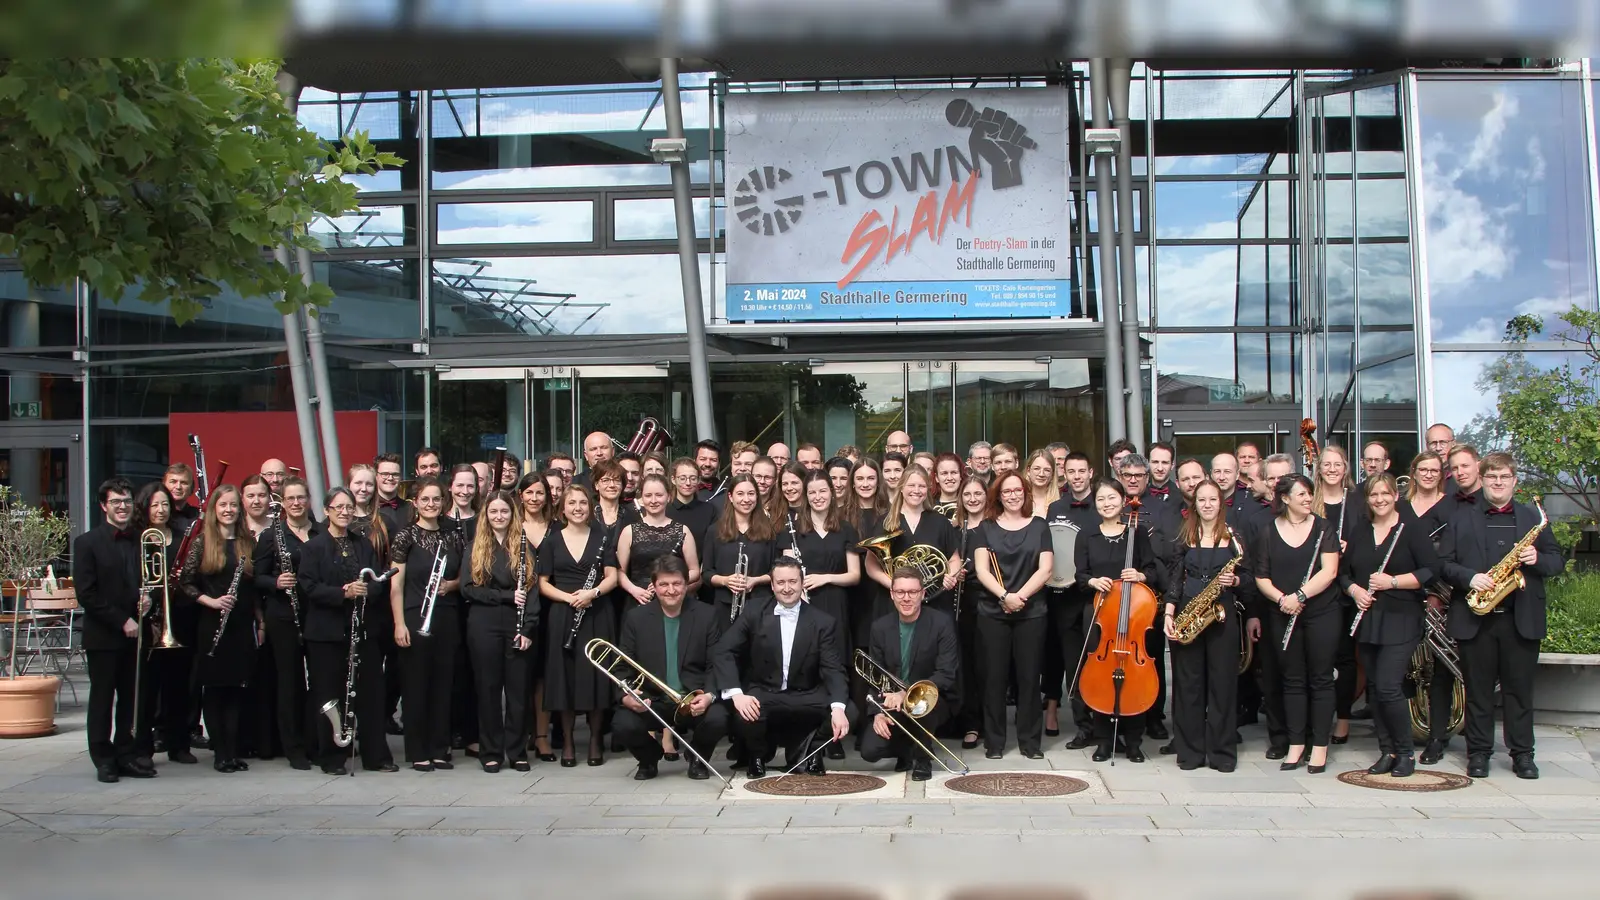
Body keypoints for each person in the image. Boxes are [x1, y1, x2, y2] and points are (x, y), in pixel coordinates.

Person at [1438, 452, 1563, 780]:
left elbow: (1556, 562)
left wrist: (1537, 558)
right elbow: (1443, 563)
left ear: (1514, 481)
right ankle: (1478, 754)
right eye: (1491, 477)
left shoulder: (1533, 520)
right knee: (1477, 692)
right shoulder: (1461, 518)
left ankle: (1523, 755)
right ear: (1483, 478)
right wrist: (1470, 577)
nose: (1497, 483)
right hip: (1477, 617)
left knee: (1519, 692)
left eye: (1504, 477)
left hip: (1519, 619)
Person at [1341, 473, 1441, 779]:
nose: (1380, 499)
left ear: (1395, 496)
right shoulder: (1360, 531)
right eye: (1374, 495)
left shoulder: (1410, 530)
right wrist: (1354, 591)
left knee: (1387, 686)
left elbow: (1431, 571)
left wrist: (1393, 582)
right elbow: (1344, 574)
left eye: (1385, 493)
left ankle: (1406, 751)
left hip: (1402, 617)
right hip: (1368, 619)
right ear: (1367, 500)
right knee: (1374, 688)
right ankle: (1387, 751)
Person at [714, 558, 851, 778]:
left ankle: (811, 752)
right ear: (772, 585)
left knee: (848, 710)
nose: (787, 588)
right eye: (781, 582)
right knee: (744, 710)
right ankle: (756, 756)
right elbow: (724, 651)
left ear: (802, 582)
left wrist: (838, 709)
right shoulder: (754, 611)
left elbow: (833, 669)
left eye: (792, 582)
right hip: (765, 691)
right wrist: (736, 694)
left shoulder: (823, 621)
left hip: (805, 693)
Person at [298, 487, 399, 775]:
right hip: (326, 634)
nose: (344, 512)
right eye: (338, 507)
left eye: (348, 507)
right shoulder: (312, 548)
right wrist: (343, 592)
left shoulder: (363, 545)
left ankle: (376, 755)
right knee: (330, 694)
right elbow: (309, 587)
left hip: (361, 630)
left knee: (371, 692)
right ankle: (332, 757)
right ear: (327, 510)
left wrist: (369, 588)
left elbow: (378, 578)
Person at [1254, 474, 1342, 774]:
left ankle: (1319, 746)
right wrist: (1283, 600)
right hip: (1283, 613)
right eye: (1301, 494)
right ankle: (1295, 745)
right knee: (1291, 680)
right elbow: (1261, 577)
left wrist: (1300, 595)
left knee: (1320, 679)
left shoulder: (1323, 528)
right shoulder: (1268, 531)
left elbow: (1330, 571)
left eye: (1309, 494)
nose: (1307, 499)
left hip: (1322, 612)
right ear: (1285, 498)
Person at [614, 556, 729, 781]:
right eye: (664, 584)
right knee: (622, 723)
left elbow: (717, 663)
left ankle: (697, 756)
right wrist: (626, 696)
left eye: (677, 584)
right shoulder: (636, 618)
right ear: (654, 586)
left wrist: (709, 696)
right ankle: (649, 758)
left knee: (720, 717)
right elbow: (622, 666)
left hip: (693, 698)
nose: (671, 590)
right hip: (652, 700)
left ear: (686, 585)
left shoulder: (707, 615)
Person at [76, 478, 157, 783]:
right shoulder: (87, 543)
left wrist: (148, 599)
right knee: (102, 699)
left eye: (126, 501)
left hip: (138, 634)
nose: (122, 507)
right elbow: (87, 593)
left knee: (132, 697)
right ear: (103, 506)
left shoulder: (142, 539)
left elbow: (148, 580)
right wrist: (122, 620)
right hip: (105, 635)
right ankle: (103, 757)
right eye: (116, 502)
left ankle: (127, 753)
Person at [1075, 478, 1161, 763]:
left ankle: (1134, 741)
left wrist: (1140, 576)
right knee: (1101, 676)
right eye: (1101, 499)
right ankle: (1103, 741)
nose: (1107, 503)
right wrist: (1092, 581)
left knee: (1134, 676)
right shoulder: (1087, 535)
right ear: (1095, 503)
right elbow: (1079, 575)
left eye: (1112, 498)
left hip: (1134, 616)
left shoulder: (1137, 533)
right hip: (1101, 615)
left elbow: (1152, 570)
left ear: (1124, 501)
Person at [1163, 479, 1244, 772]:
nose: (1207, 505)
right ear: (1194, 505)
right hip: (1189, 613)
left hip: (1222, 614)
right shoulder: (1185, 537)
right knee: (1188, 687)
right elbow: (1174, 579)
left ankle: (1222, 753)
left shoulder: (1233, 538)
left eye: (1213, 499)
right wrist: (1169, 614)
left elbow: (1249, 578)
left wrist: (1234, 580)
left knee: (1222, 686)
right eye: (1202, 500)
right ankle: (1190, 753)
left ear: (1221, 503)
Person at [177, 484, 258, 773]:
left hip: (239, 626)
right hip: (212, 623)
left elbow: (255, 587)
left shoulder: (247, 543)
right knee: (214, 691)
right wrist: (210, 601)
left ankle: (232, 752)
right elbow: (185, 583)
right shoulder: (203, 542)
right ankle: (220, 753)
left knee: (236, 690)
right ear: (214, 509)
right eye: (223, 505)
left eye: (233, 505)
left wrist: (258, 621)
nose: (228, 510)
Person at [973, 471, 1054, 759]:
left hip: (1031, 612)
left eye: (1017, 490)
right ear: (999, 496)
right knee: (994, 678)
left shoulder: (1040, 526)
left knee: (1029, 678)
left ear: (1025, 493)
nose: (1012, 495)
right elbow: (982, 570)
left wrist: (1020, 597)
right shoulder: (985, 527)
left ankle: (1030, 743)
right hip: (992, 612)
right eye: (1006, 491)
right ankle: (994, 743)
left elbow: (1045, 569)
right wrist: (1005, 596)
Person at [389, 477, 467, 772]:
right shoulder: (405, 536)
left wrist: (453, 584)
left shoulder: (453, 535)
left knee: (443, 683)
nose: (431, 504)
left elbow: (465, 576)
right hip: (414, 614)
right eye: (426, 500)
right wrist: (399, 624)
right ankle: (418, 750)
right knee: (416, 684)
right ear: (416, 503)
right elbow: (396, 586)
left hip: (446, 614)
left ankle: (439, 748)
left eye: (436, 499)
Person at [539, 485, 619, 767]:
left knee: (594, 678)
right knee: (565, 679)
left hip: (596, 612)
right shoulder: (552, 541)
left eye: (583, 502)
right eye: (571, 503)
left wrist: (591, 593)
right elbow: (543, 583)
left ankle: (596, 740)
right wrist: (569, 598)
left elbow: (612, 576)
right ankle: (569, 742)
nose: (577, 507)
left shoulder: (602, 537)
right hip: (563, 613)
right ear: (562, 508)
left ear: (590, 507)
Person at [461, 489, 539, 773]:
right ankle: (491, 752)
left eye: (504, 511)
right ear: (486, 515)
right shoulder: (474, 547)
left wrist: (529, 628)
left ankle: (517, 752)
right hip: (484, 624)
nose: (499, 516)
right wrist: (505, 597)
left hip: (517, 625)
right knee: (489, 690)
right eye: (493, 511)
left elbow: (532, 591)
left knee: (518, 693)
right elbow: (467, 589)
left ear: (512, 514)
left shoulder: (523, 545)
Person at [860, 567, 960, 781]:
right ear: (892, 594)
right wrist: (877, 711)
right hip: (894, 702)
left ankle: (923, 758)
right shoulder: (880, 627)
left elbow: (946, 674)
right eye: (900, 592)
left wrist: (907, 694)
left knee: (922, 706)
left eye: (912, 592)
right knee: (869, 751)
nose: (906, 598)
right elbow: (875, 676)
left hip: (934, 698)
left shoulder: (941, 623)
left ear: (923, 593)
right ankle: (908, 748)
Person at [251, 476, 320, 771]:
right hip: (284, 616)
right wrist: (277, 581)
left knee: (318, 682)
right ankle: (293, 747)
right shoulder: (272, 535)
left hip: (317, 614)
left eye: (301, 498)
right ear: (283, 503)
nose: (296, 503)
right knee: (290, 682)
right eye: (290, 498)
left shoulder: (321, 532)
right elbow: (257, 577)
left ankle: (316, 741)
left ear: (308, 500)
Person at [130, 483, 196, 765]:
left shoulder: (183, 538)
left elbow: (193, 575)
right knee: (148, 688)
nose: (161, 509)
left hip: (179, 618)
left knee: (179, 686)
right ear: (145, 507)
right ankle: (143, 746)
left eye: (165, 504)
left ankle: (179, 744)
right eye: (155, 504)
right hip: (149, 621)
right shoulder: (138, 539)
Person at [1042, 452, 1098, 748]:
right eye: (1071, 471)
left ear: (1091, 472)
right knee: (1074, 664)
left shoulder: (1103, 503)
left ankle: (1104, 720)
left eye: (1081, 470)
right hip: (1065, 599)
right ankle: (1083, 726)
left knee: (1097, 662)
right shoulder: (1055, 507)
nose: (1076, 476)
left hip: (1096, 596)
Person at [865, 467, 962, 622]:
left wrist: (951, 575)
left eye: (922, 486)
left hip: (934, 602)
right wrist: (895, 585)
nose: (916, 490)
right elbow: (870, 564)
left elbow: (955, 559)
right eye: (911, 485)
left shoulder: (940, 522)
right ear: (902, 487)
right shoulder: (886, 522)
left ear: (928, 489)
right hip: (894, 603)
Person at [1310, 444, 1359, 744]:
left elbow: (1369, 538)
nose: (1331, 469)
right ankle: (1316, 718)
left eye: (1337, 463)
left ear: (1346, 468)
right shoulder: (1310, 499)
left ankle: (1343, 718)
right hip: (1317, 586)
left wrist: (1349, 547)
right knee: (1318, 659)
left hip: (1346, 587)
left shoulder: (1357, 501)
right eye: (1325, 464)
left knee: (1345, 657)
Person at [514, 473, 556, 762]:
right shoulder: (512, 527)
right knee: (520, 676)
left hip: (551, 608)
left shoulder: (557, 528)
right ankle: (521, 732)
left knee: (542, 675)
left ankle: (541, 736)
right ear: (521, 496)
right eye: (529, 492)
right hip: (518, 609)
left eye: (540, 493)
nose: (534, 498)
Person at [791, 470, 862, 639]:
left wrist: (826, 578)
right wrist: (799, 595)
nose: (818, 497)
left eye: (822, 491)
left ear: (831, 492)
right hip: (804, 602)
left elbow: (855, 576)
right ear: (806, 496)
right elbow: (788, 572)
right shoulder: (793, 529)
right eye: (812, 492)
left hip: (837, 604)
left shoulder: (846, 529)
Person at [617, 473, 700, 608]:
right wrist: (634, 590)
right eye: (648, 496)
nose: (653, 500)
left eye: (659, 495)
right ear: (641, 499)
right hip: (639, 599)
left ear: (669, 497)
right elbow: (619, 571)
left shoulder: (683, 531)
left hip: (673, 598)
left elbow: (695, 571)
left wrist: (670, 583)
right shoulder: (628, 531)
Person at [703, 475, 775, 625]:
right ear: (730, 496)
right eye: (740, 494)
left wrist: (755, 580)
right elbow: (707, 573)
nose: (746, 499)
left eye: (751, 493)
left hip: (761, 606)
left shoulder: (769, 530)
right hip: (724, 607)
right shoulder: (714, 531)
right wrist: (726, 581)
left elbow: (776, 571)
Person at [951, 476, 989, 750]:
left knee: (985, 666)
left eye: (978, 493)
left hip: (986, 601)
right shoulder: (954, 529)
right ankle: (969, 722)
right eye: (968, 494)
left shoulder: (993, 527)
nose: (973, 498)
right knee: (964, 667)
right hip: (960, 603)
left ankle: (986, 722)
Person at [666, 457, 716, 571]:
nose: (688, 483)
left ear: (699, 480)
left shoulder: (709, 510)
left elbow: (712, 547)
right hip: (669, 576)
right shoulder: (664, 510)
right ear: (673, 479)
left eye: (693, 478)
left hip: (702, 576)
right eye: (682, 478)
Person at [164, 463, 199, 536]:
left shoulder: (199, 517)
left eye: (184, 483)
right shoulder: (156, 515)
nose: (178, 487)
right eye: (173, 482)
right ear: (164, 485)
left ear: (191, 488)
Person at [1023, 449, 1060, 515]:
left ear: (1052, 474)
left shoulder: (1060, 503)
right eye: (1037, 468)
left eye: (1047, 470)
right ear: (1028, 471)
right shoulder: (1019, 500)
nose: (1041, 474)